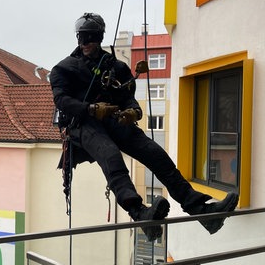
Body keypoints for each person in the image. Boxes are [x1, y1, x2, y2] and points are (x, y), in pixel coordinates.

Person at [49, 12, 239, 241]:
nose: (85, 43)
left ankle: (202, 210)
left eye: (90, 38)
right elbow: (61, 100)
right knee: (110, 155)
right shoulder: (64, 68)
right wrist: (90, 108)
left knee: (155, 154)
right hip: (82, 124)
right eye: (81, 38)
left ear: (99, 38)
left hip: (113, 120)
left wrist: (133, 111)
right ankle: (139, 213)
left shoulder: (115, 67)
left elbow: (127, 96)